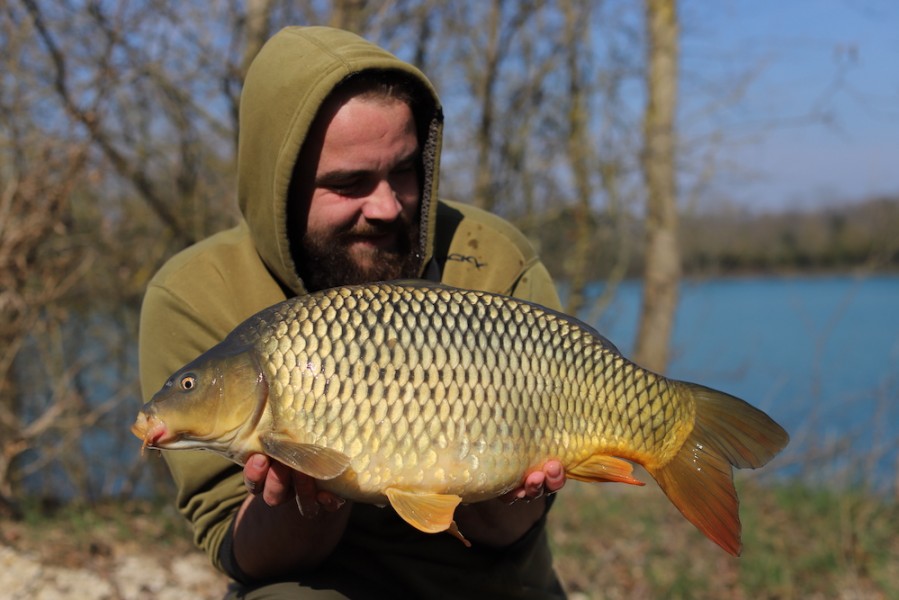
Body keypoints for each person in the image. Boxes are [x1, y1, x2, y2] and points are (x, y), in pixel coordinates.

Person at [139, 26, 568, 598]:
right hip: (313, 581)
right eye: (349, 183)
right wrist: (309, 496)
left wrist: (508, 490)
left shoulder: (493, 261)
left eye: (406, 171)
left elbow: (512, 535)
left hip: (490, 580)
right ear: (280, 187)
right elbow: (240, 551)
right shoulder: (196, 292)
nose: (388, 206)